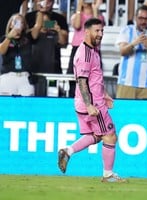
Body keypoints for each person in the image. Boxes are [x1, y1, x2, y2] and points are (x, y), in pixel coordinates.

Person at [58, 18, 126, 182]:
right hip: (93, 105)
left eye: (102, 31)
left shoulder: (91, 50)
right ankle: (108, 175)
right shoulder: (86, 54)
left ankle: (68, 151)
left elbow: (93, 79)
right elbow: (82, 81)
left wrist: (105, 94)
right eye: (97, 31)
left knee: (95, 135)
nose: (100, 34)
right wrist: (90, 105)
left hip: (84, 102)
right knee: (110, 136)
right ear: (86, 31)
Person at [115, 5, 147, 99]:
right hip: (127, 82)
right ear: (135, 18)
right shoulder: (126, 30)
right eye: (140, 18)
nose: (143, 21)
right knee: (125, 113)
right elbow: (123, 51)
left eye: (146, 19)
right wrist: (134, 43)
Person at [67, 0, 104, 97]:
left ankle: (94, 101)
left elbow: (98, 28)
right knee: (76, 79)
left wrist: (95, 9)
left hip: (94, 50)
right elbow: (77, 25)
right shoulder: (76, 15)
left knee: (94, 79)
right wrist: (79, 7)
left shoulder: (99, 16)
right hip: (78, 49)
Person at [0, 13, 43, 96]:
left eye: (21, 22)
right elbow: (1, 51)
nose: (18, 23)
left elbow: (38, 26)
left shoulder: (28, 37)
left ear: (24, 26)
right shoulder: (4, 38)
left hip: (24, 77)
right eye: (15, 21)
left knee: (27, 105)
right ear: (10, 25)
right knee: (7, 106)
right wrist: (9, 37)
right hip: (8, 77)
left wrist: (40, 12)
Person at [25, 0, 69, 74]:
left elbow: (64, 43)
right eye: (42, 1)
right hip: (33, 63)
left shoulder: (60, 18)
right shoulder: (29, 17)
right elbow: (33, 36)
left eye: (48, 2)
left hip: (53, 63)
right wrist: (40, 16)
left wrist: (58, 30)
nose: (45, 4)